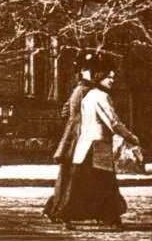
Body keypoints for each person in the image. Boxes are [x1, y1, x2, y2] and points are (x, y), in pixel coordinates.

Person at [58, 66, 139, 230]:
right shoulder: (101, 96)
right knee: (106, 184)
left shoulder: (88, 96)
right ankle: (111, 219)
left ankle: (67, 216)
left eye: (113, 77)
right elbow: (113, 122)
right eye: (109, 77)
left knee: (81, 183)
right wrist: (131, 137)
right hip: (97, 147)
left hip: (85, 145)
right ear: (100, 77)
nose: (112, 80)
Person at [43, 50, 98, 228]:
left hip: (71, 139)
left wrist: (72, 124)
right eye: (90, 70)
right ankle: (63, 212)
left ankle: (54, 209)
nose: (94, 73)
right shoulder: (89, 91)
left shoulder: (77, 89)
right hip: (82, 139)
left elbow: (65, 111)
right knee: (76, 177)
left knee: (67, 176)